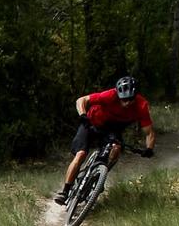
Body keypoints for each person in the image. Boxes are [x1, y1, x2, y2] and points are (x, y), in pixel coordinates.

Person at [53, 75, 155, 205]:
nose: (127, 103)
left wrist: (149, 148)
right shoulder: (109, 95)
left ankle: (100, 175)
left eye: (130, 99)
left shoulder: (141, 105)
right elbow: (81, 100)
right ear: (118, 95)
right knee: (81, 154)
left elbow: (149, 132)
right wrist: (83, 115)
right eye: (123, 99)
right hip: (91, 124)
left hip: (113, 129)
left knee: (116, 149)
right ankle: (65, 191)